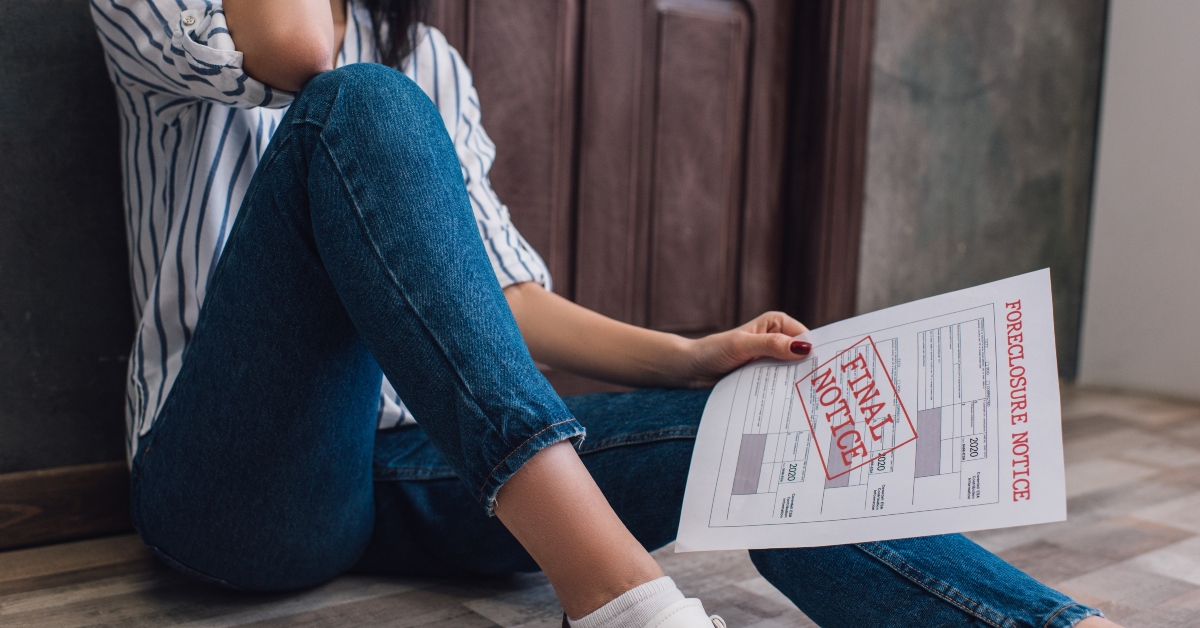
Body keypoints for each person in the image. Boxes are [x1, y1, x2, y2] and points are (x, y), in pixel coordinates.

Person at [90, 1, 1117, 627]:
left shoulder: (427, 57)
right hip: (235, 478)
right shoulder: (169, 2)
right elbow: (301, 46)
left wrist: (686, 357)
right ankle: (618, 599)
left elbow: (499, 292)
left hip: (421, 466)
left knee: (766, 427)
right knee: (355, 104)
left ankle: (1041, 623)